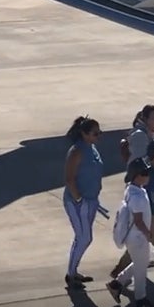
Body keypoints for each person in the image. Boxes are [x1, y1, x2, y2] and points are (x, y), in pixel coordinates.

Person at [105, 158, 154, 307]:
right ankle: (141, 299)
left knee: (142, 263)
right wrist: (148, 234)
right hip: (138, 237)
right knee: (140, 271)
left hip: (134, 237)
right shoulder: (137, 196)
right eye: (145, 173)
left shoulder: (132, 189)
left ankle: (116, 283)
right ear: (136, 175)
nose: (148, 175)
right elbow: (138, 221)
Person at [62, 116, 104, 289]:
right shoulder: (76, 151)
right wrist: (79, 199)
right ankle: (71, 275)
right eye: (95, 133)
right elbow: (69, 178)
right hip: (78, 202)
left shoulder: (92, 148)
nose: (98, 136)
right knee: (84, 237)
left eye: (99, 133)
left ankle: (73, 272)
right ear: (84, 134)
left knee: (82, 237)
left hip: (91, 201)